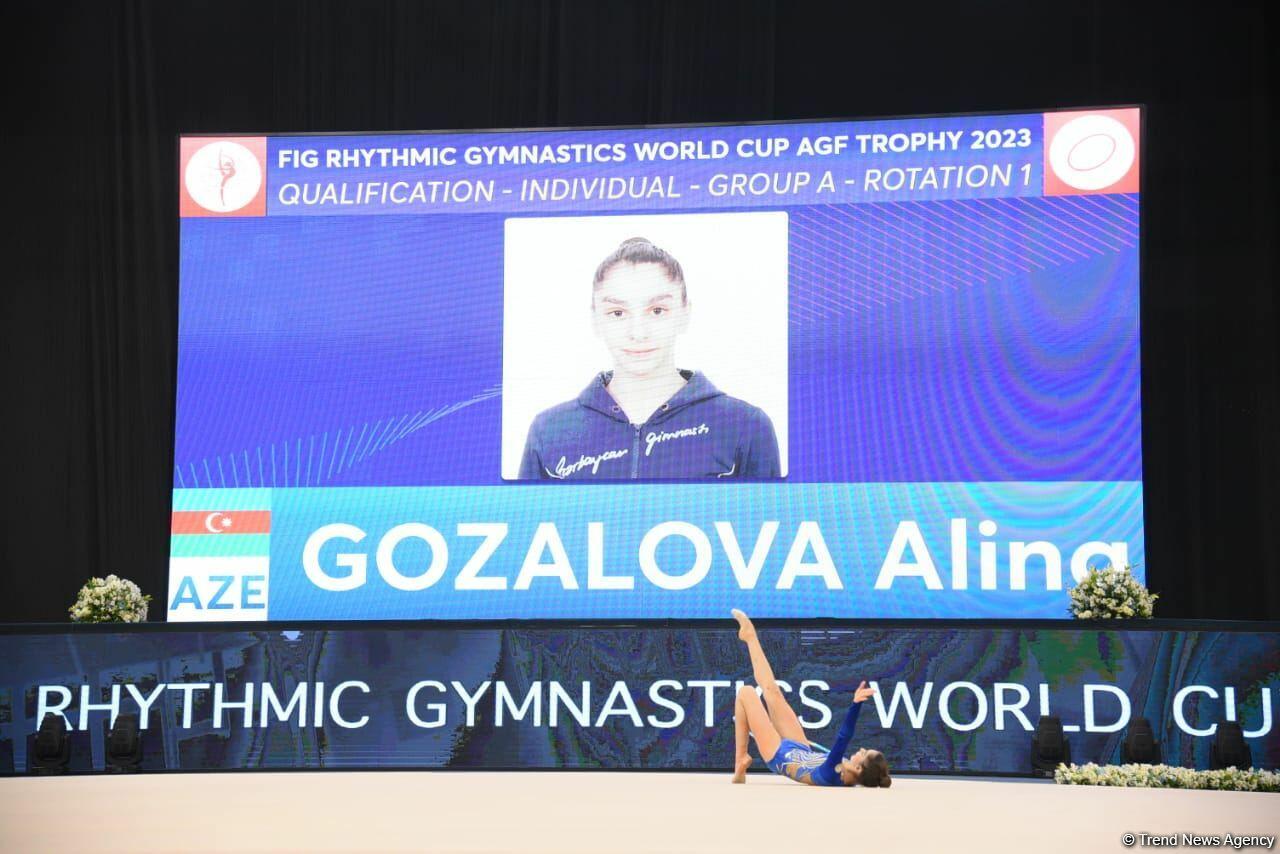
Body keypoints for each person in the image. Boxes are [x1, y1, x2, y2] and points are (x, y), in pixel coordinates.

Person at [517, 237, 781, 480]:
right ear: (595, 319)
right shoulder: (549, 430)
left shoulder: (745, 426)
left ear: (684, 314)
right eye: (617, 313)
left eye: (657, 310)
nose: (638, 333)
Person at [730, 608, 891, 787]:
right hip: (801, 749)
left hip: (779, 756)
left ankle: (740, 761)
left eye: (865, 753)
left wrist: (856, 704)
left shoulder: (833, 773)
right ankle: (750, 636)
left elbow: (844, 736)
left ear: (859, 768)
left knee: (746, 692)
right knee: (772, 691)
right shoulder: (845, 766)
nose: (861, 749)